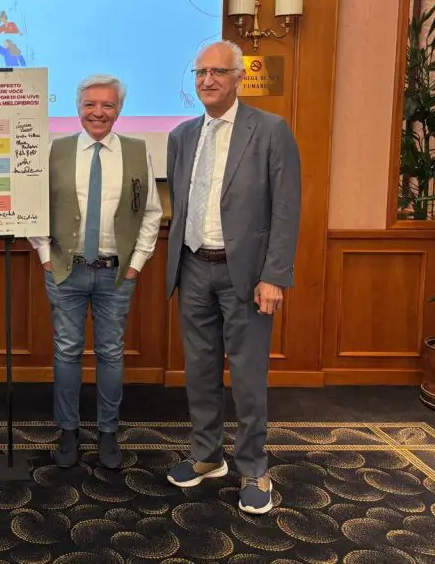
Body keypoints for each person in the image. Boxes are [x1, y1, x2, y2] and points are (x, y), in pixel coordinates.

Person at [164, 39, 301, 515]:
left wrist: (274, 276)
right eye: (201, 73)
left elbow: (286, 208)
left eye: (218, 72)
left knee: (247, 375)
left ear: (239, 78)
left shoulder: (270, 130)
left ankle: (254, 468)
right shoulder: (181, 135)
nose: (208, 80)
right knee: (200, 370)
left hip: (246, 275)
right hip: (193, 267)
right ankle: (206, 456)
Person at [29, 74, 163, 470]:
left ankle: (107, 431)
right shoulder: (56, 150)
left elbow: (151, 212)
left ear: (119, 110)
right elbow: (35, 206)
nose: (98, 112)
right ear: (78, 108)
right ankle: (68, 430)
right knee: (67, 351)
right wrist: (45, 256)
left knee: (110, 352)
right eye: (90, 104)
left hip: (116, 274)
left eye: (107, 105)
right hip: (65, 271)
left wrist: (136, 264)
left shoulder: (138, 151)